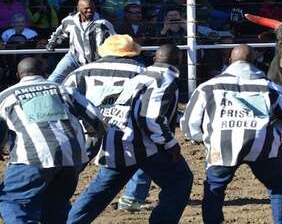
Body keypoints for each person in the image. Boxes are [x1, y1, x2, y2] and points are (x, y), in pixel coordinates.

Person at [180, 44, 282, 224]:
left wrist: (203, 140)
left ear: (229, 60)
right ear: (255, 61)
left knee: (215, 188)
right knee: (280, 188)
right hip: (264, 148)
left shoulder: (207, 88)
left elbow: (189, 124)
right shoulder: (271, 89)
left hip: (222, 147)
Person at [67, 44, 193, 224]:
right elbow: (150, 118)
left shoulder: (142, 76)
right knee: (180, 180)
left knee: (101, 190)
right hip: (140, 143)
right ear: (179, 61)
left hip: (117, 137)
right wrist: (170, 144)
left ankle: (72, 221)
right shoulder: (165, 79)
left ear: (155, 59)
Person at [0, 57, 107, 224]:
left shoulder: (5, 96)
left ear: (17, 75)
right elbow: (97, 119)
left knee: (13, 201)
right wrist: (92, 135)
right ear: (45, 73)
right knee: (56, 203)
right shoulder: (65, 90)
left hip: (33, 157)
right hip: (71, 156)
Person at [63, 34, 151, 212]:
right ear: (132, 52)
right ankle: (132, 198)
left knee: (76, 161)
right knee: (143, 156)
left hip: (88, 125)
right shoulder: (143, 72)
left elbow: (66, 98)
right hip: (125, 127)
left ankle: (59, 192)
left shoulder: (81, 71)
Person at [46, 0, 115, 83]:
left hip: (96, 60)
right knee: (54, 78)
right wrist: (52, 43)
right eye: (86, 8)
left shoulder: (103, 24)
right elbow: (60, 32)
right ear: (78, 8)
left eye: (92, 8)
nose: (89, 10)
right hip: (73, 57)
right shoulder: (70, 20)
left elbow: (114, 41)